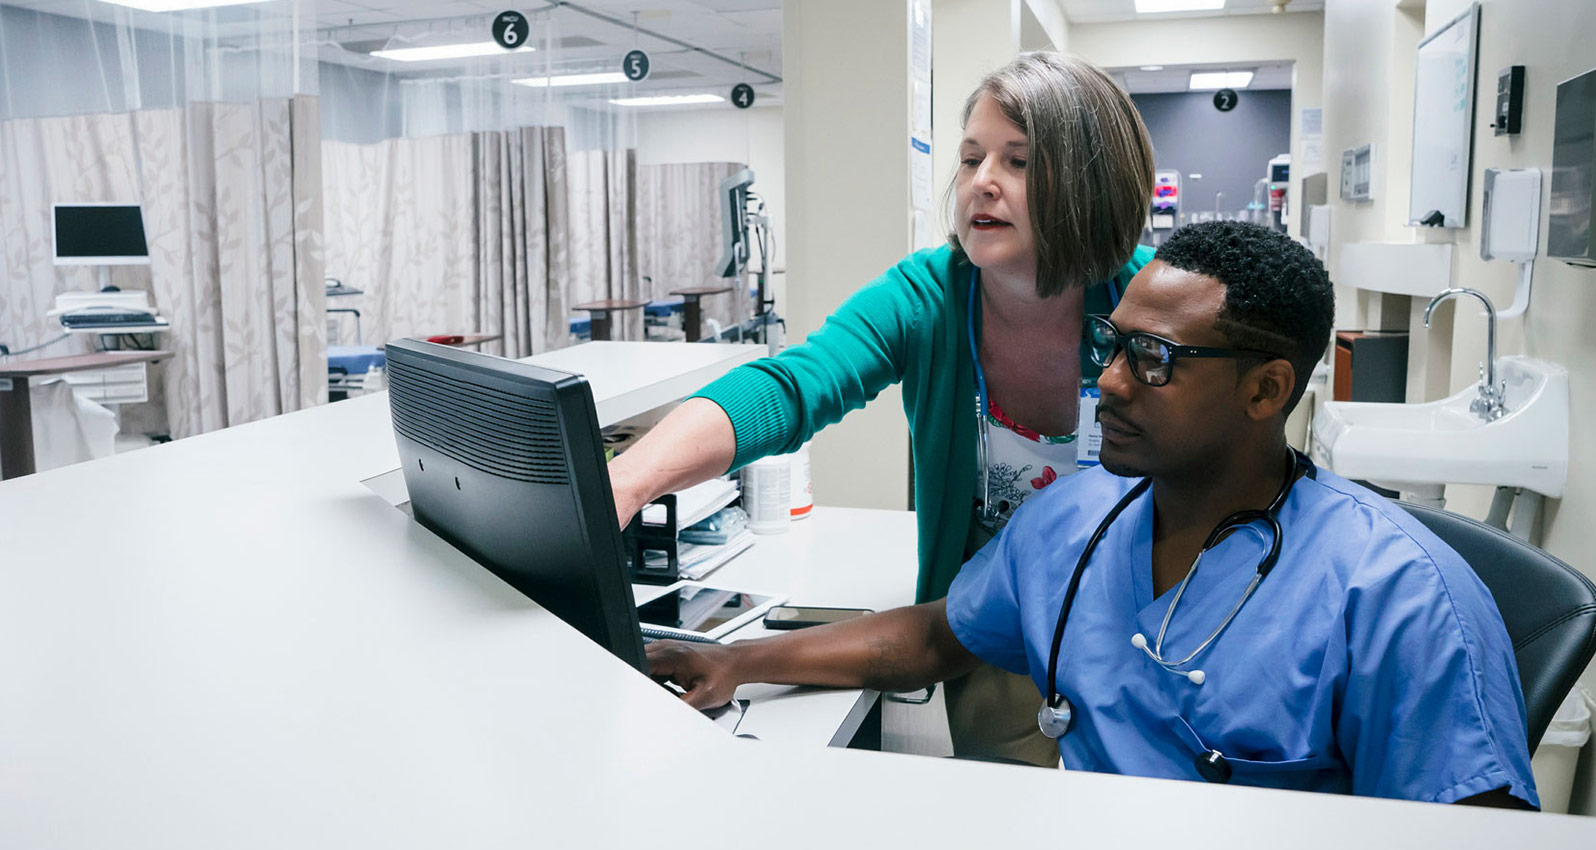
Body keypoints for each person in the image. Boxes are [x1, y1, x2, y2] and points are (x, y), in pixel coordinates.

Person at [648, 222, 1539, 808]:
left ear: (1265, 389)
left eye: (1152, 360)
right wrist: (741, 661)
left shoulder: (1405, 602)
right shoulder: (1078, 516)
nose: (1106, 382)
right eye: (1111, 345)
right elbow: (938, 638)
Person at [607, 51, 1156, 765]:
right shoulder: (927, 298)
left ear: (1089, 183)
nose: (981, 182)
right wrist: (625, 481)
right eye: (970, 158)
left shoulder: (1150, 307)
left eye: (1017, 162)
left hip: (1138, 627)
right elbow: (793, 385)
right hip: (987, 630)